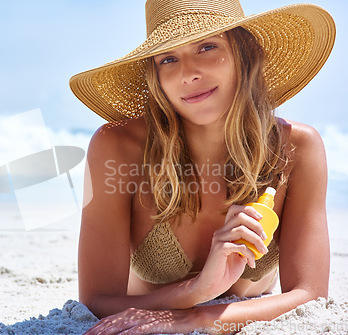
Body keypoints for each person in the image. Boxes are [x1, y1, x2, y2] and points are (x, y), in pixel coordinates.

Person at [69, 0, 336, 333]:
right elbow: (96, 300)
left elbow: (310, 296)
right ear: (156, 76)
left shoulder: (295, 148)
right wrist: (198, 291)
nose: (188, 73)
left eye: (207, 46)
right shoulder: (119, 148)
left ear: (244, 52)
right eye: (168, 58)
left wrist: (193, 317)